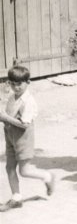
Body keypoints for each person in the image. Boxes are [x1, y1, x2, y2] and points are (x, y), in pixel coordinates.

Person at [1, 66, 58, 209]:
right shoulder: (12, 98)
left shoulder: (28, 102)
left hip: (23, 139)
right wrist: (4, 118)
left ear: (28, 82)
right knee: (9, 168)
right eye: (12, 84)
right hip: (10, 137)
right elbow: (8, 116)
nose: (16, 87)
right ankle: (16, 198)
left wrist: (5, 118)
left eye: (19, 84)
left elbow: (25, 125)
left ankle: (47, 177)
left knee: (24, 171)